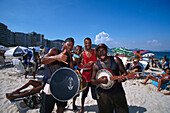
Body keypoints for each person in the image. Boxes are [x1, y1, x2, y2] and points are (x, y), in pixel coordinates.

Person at [91, 43, 129, 113]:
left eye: (103, 50)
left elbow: (124, 73)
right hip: (104, 94)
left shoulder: (116, 60)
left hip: (118, 91)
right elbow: (92, 81)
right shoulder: (95, 65)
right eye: (99, 51)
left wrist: (123, 78)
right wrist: (99, 80)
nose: (101, 53)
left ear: (107, 51)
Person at [40, 38, 74, 113]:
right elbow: (43, 60)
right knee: (46, 110)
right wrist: (57, 57)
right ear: (63, 43)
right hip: (50, 85)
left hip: (62, 87)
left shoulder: (69, 56)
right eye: (68, 45)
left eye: (72, 46)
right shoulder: (54, 51)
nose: (70, 48)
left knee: (61, 108)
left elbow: (71, 70)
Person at [78, 37, 99, 113]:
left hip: (93, 75)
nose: (88, 44)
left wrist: (92, 62)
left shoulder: (95, 51)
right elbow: (82, 63)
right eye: (86, 43)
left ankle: (99, 109)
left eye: (89, 43)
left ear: (91, 43)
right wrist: (81, 64)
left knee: (95, 94)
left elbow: (98, 61)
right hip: (85, 76)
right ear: (84, 44)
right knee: (83, 94)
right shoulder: (82, 53)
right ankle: (82, 108)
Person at [72, 45, 82, 111]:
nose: (78, 51)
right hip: (71, 75)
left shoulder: (81, 58)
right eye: (77, 49)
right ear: (75, 50)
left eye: (79, 50)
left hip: (78, 76)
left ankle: (73, 104)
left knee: (76, 92)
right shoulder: (72, 57)